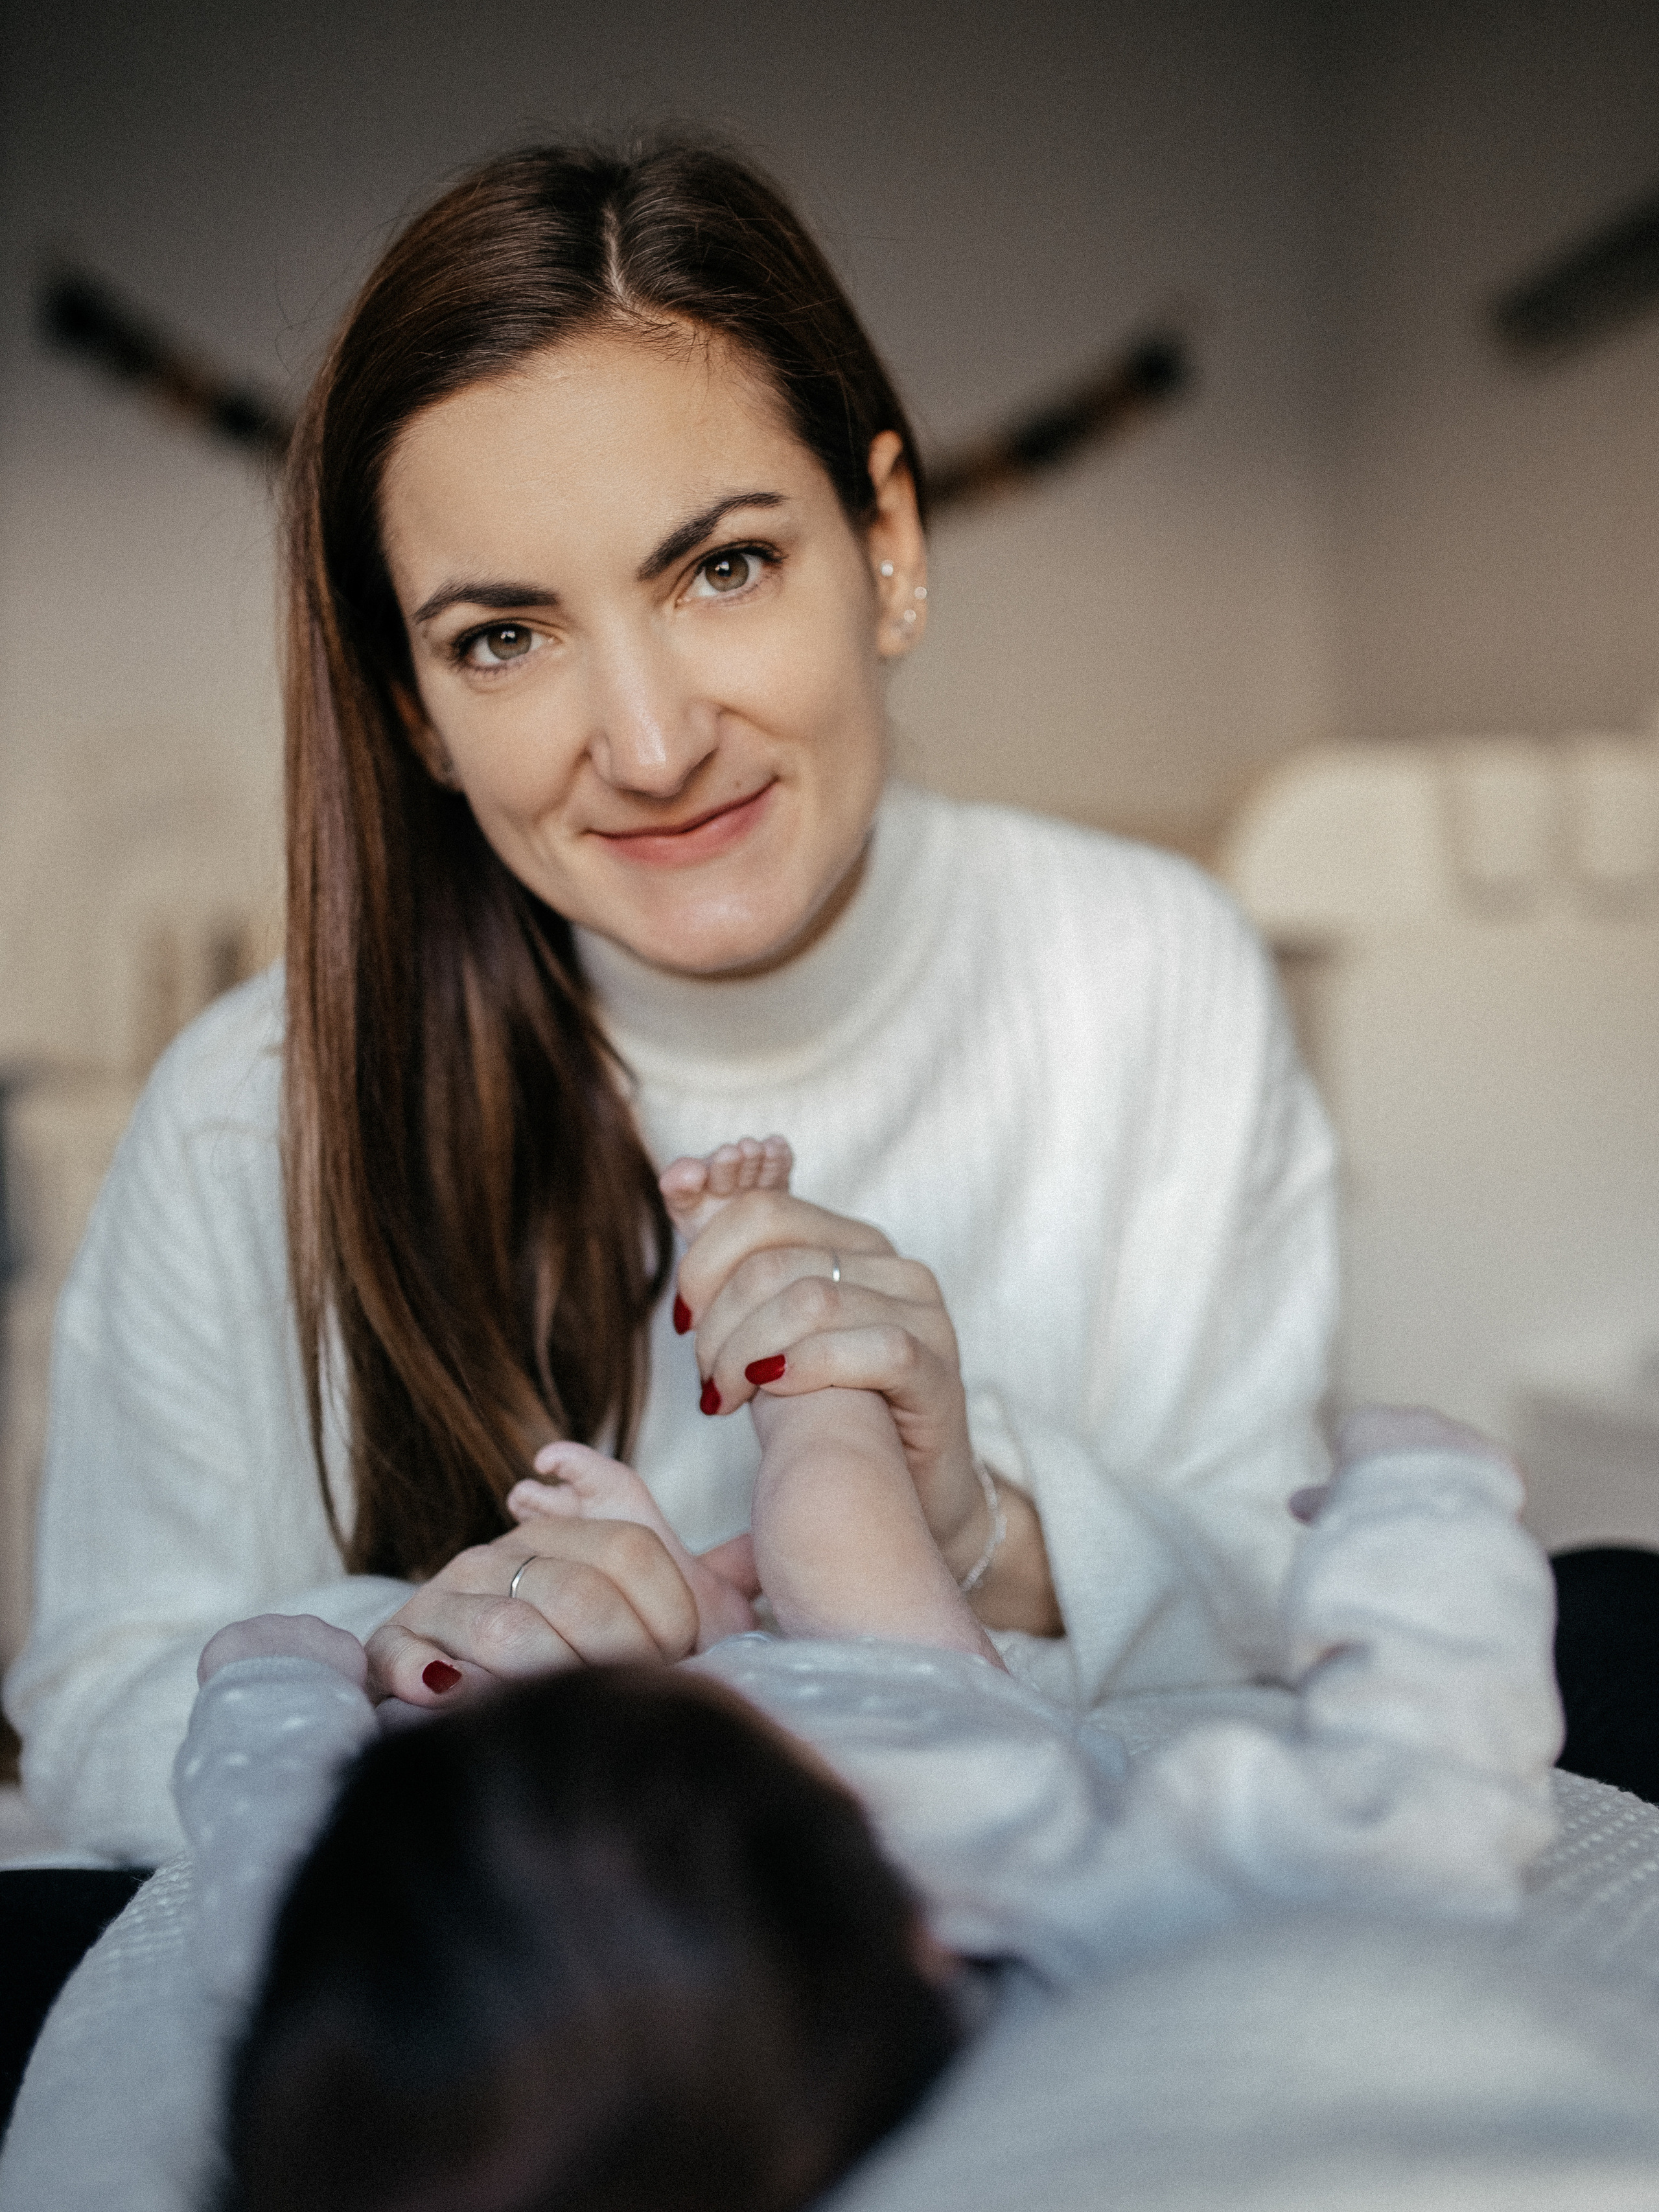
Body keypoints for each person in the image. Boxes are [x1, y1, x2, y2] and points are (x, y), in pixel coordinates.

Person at [4, 138, 1337, 1867]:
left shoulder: (1156, 974)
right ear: (416, 712)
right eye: (503, 635)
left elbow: (1285, 1592)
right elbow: (95, 1697)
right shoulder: (249, 1106)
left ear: (890, 544)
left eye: (721, 567)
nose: (646, 747)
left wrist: (974, 1522)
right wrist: (429, 1652)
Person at [0, 1315, 1562, 2212]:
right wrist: (1423, 1495)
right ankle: (788, 1312)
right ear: (921, 1939)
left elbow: (266, 1774)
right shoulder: (1025, 1885)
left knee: (665, 1567)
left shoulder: (347, 1979)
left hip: (565, 1752)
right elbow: (1418, 1804)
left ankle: (682, 1485)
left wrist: (291, 1660)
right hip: (906, 1693)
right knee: (823, 1477)